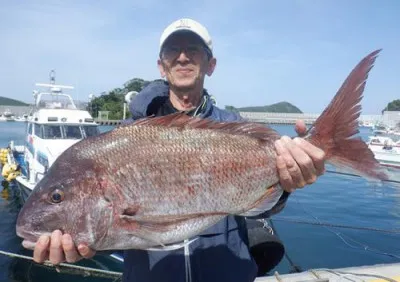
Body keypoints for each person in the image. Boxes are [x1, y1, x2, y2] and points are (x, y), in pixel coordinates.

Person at [30, 18, 325, 282]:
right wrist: (83, 246)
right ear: (161, 65)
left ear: (211, 64)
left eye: (193, 50)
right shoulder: (126, 134)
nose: (182, 57)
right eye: (173, 50)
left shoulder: (234, 126)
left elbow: (265, 206)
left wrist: (289, 179)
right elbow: (108, 229)